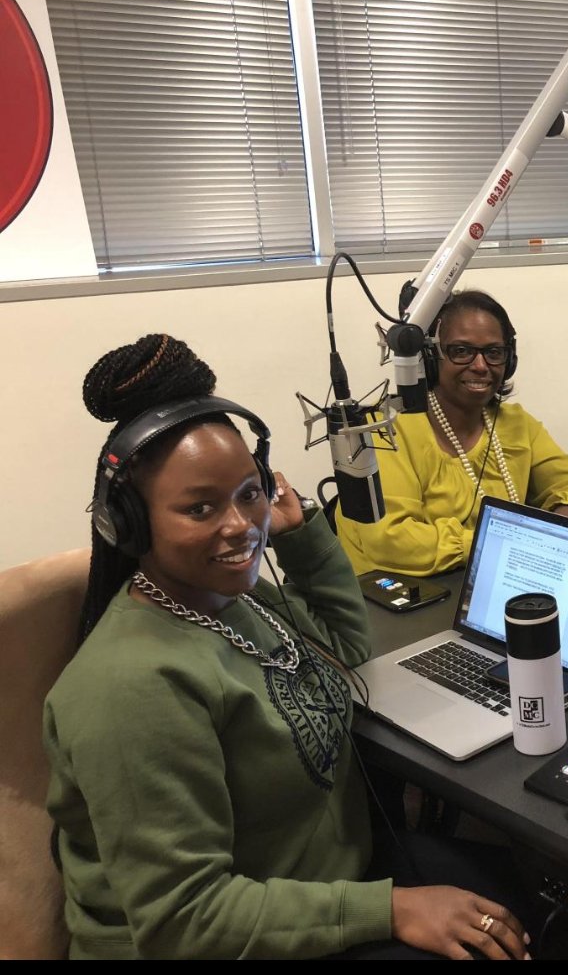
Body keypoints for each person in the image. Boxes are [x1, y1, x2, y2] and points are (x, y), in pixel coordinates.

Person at [44, 333, 533, 959]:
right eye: (199, 509)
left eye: (248, 493)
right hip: (228, 937)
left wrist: (299, 538)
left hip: (325, 886)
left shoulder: (233, 600)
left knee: (530, 897)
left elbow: (347, 652)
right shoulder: (131, 687)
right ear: (130, 525)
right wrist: (391, 908)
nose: (241, 526)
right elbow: (184, 921)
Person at [336, 289, 568, 577]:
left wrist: (562, 523)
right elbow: (390, 540)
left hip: (485, 583)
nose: (480, 366)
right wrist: (505, 543)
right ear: (430, 357)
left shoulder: (515, 424)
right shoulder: (385, 433)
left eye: (493, 353)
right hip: (393, 604)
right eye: (462, 351)